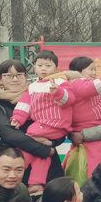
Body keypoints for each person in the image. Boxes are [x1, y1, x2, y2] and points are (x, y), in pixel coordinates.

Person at [0, 59, 63, 187]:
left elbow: (57, 123)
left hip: (46, 163)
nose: (15, 79)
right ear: (1, 78)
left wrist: (53, 142)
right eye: (8, 75)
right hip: (14, 161)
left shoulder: (40, 95)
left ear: (26, 77)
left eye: (19, 75)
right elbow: (9, 134)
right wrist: (44, 149)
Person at [9, 51, 73, 193]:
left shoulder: (61, 82)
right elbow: (25, 104)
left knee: (29, 142)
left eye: (48, 66)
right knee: (42, 154)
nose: (44, 68)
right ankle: (36, 183)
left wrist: (57, 92)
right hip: (43, 125)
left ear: (56, 68)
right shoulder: (33, 86)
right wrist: (17, 118)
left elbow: (68, 100)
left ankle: (16, 170)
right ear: (35, 68)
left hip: (54, 123)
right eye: (40, 65)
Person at [64, 56, 101, 177]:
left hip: (83, 130)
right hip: (88, 129)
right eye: (91, 69)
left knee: (78, 161)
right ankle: (92, 182)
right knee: (94, 163)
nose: (94, 73)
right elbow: (97, 85)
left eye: (95, 70)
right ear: (78, 71)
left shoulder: (74, 85)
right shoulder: (78, 84)